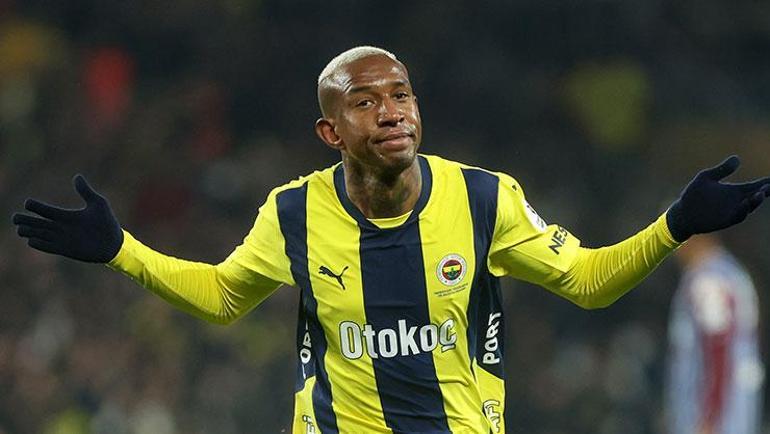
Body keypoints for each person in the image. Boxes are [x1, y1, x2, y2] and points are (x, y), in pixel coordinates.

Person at [11, 46, 770, 433]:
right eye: (366, 101)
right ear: (329, 131)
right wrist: (122, 250)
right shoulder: (293, 213)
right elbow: (222, 297)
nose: (392, 111)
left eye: (402, 94)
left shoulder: (484, 198)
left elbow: (586, 281)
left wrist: (675, 225)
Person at [666, 234, 764, 434]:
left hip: (716, 421)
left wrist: (709, 419)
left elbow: (720, 350)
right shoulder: (731, 272)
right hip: (734, 414)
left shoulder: (709, 280)